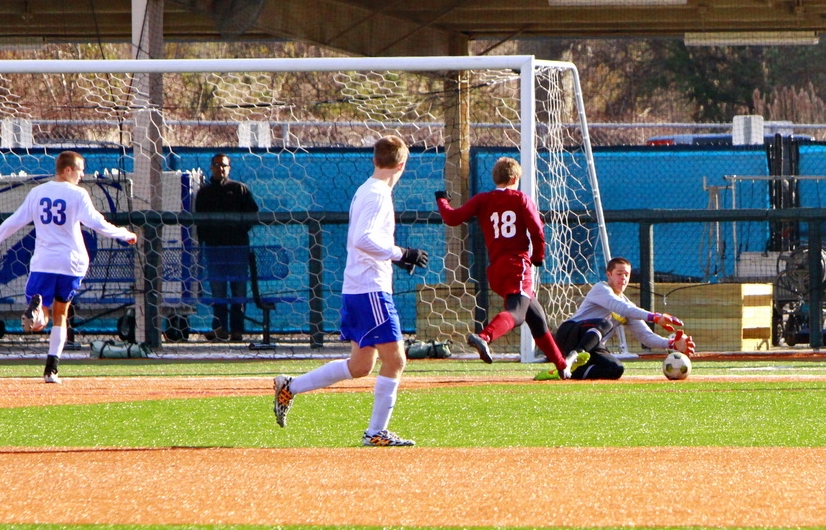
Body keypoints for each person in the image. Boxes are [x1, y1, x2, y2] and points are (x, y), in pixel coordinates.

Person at [273, 135, 428, 447]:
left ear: (374, 160)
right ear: (401, 165)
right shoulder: (378, 194)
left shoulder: (367, 190)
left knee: (360, 366)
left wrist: (391, 258)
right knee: (396, 360)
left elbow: (367, 241)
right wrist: (401, 253)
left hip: (361, 287)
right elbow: (362, 238)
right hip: (370, 290)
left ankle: (290, 386)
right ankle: (376, 433)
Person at [0, 151, 137, 383]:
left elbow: (15, 220)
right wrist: (124, 234)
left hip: (44, 260)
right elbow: (95, 222)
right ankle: (51, 369)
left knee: (41, 315)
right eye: (80, 169)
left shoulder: (37, 192)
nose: (82, 175)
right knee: (61, 314)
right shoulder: (77, 194)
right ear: (67, 170)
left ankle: (37, 309)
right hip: (72, 261)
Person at [435, 156, 584, 378]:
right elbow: (537, 231)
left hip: (496, 269)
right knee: (518, 314)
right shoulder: (521, 199)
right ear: (515, 178)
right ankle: (485, 337)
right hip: (517, 265)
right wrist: (538, 256)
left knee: (536, 319)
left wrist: (442, 200)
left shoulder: (483, 199)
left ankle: (562, 366)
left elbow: (452, 218)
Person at [552, 256, 696, 380]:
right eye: (619, 273)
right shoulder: (601, 288)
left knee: (615, 369)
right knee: (605, 323)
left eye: (627, 275)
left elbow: (646, 337)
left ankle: (568, 371)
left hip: (592, 345)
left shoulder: (627, 305)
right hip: (569, 335)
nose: (624, 278)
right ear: (609, 274)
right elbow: (620, 307)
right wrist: (655, 317)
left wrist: (672, 344)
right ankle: (573, 356)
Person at [194, 153, 259, 342]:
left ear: (229, 167)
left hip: (237, 249)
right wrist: (206, 241)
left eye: (223, 165)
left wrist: (239, 231)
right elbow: (199, 223)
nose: (220, 168)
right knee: (218, 291)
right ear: (211, 167)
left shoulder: (239, 189)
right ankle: (220, 328)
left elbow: (253, 214)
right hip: (215, 250)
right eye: (216, 165)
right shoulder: (204, 193)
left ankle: (237, 330)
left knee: (238, 290)